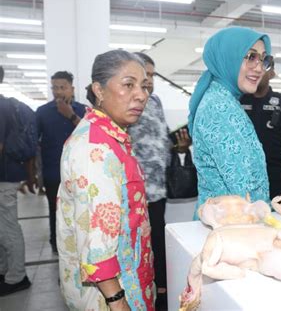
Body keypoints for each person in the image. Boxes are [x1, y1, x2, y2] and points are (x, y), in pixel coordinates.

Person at [56, 50, 154, 310]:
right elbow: (95, 237)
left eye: (144, 87)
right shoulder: (95, 149)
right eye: (128, 84)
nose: (141, 95)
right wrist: (116, 300)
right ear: (99, 90)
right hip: (110, 293)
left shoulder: (112, 137)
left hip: (129, 274)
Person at [188, 27, 273, 217]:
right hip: (231, 224)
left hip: (233, 221)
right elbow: (242, 188)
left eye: (263, 59)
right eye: (250, 56)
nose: (259, 68)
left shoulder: (224, 100)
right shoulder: (218, 108)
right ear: (228, 57)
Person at [128, 52, 190, 311]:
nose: (149, 80)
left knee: (157, 242)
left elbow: (162, 139)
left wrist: (180, 145)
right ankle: (141, 292)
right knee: (138, 245)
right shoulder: (127, 103)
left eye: (152, 75)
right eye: (145, 74)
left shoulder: (155, 102)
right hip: (134, 190)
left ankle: (161, 293)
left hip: (158, 187)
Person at [36, 71, 86, 253]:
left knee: (79, 211)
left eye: (62, 87)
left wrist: (70, 115)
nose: (58, 92)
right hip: (53, 173)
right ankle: (57, 245)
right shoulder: (42, 113)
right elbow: (36, 145)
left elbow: (91, 137)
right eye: (54, 88)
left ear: (71, 89)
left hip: (80, 174)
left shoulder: (84, 111)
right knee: (55, 211)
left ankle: (80, 245)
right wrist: (36, 176)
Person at [0, 65, 36, 296]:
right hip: (6, 175)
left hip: (4, 177)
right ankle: (5, 270)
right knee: (2, 228)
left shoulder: (0, 106)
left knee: (8, 228)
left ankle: (17, 277)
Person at [240, 60, 281, 199]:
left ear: (272, 73)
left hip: (275, 179)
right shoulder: (239, 101)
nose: (259, 71)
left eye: (265, 67)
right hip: (244, 178)